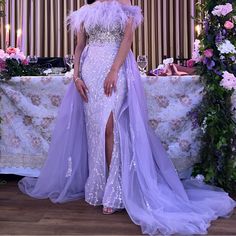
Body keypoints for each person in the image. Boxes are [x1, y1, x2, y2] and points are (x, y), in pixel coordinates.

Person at [19, 0, 235, 235]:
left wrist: (113, 70)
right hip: (90, 72)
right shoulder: (86, 11)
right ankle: (98, 187)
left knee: (111, 128)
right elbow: (80, 46)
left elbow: (127, 40)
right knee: (96, 131)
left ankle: (115, 191)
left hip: (116, 69)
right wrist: (77, 76)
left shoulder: (125, 5)